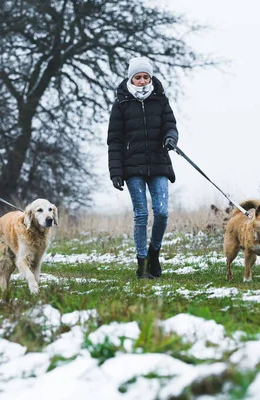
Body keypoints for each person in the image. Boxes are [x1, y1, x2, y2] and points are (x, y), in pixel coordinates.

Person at [107, 57, 179, 279]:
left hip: (159, 163)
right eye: (137, 77)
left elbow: (170, 125)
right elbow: (114, 140)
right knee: (141, 214)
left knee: (162, 212)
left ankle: (154, 253)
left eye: (145, 77)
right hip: (132, 167)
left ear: (150, 77)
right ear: (131, 78)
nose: (142, 81)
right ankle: (142, 263)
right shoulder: (121, 103)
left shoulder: (160, 100)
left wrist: (170, 138)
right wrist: (116, 172)